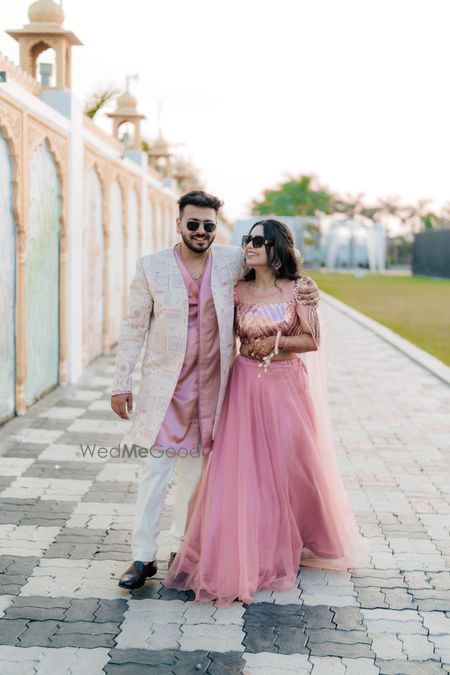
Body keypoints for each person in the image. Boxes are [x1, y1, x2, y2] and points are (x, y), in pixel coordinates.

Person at [110, 192, 319, 589]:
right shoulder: (151, 266)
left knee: (195, 477)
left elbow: (282, 263)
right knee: (155, 472)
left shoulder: (231, 260)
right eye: (193, 224)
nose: (201, 231)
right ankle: (142, 556)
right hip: (165, 390)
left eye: (208, 225)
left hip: (213, 389)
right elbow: (133, 327)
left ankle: (182, 551)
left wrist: (310, 290)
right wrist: (122, 383)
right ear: (179, 224)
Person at [164, 218, 369, 606]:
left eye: (258, 241)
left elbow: (312, 340)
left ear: (276, 248)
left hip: (286, 385)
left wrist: (275, 342)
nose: (250, 246)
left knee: (293, 463)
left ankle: (305, 537)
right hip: (244, 385)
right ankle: (253, 544)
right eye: (248, 239)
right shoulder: (236, 289)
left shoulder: (298, 288)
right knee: (246, 468)